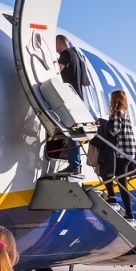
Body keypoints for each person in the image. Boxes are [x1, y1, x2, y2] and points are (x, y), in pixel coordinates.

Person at [54, 35, 89, 175]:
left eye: (56, 46)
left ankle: (74, 165)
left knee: (71, 132)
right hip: (78, 98)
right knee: (74, 133)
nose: (56, 50)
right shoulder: (76, 55)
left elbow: (57, 70)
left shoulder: (66, 54)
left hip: (70, 98)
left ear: (59, 43)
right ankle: (76, 165)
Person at [108, 90, 136, 219]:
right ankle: (125, 209)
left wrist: (102, 129)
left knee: (119, 180)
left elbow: (115, 130)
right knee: (122, 180)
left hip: (122, 151)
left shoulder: (118, 114)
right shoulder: (125, 114)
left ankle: (128, 212)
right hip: (129, 152)